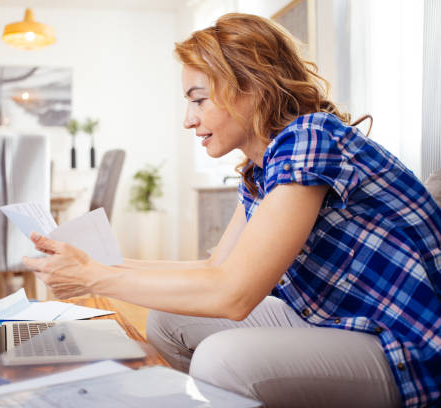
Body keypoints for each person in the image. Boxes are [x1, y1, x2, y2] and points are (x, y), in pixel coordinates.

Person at [23, 13, 441, 408]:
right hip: (340, 321)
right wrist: (97, 263)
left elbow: (233, 295)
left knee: (220, 359)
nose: (189, 120)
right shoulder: (263, 168)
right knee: (169, 318)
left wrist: (95, 278)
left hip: (407, 345)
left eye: (199, 100)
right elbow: (216, 269)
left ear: (252, 88)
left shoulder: (312, 137)